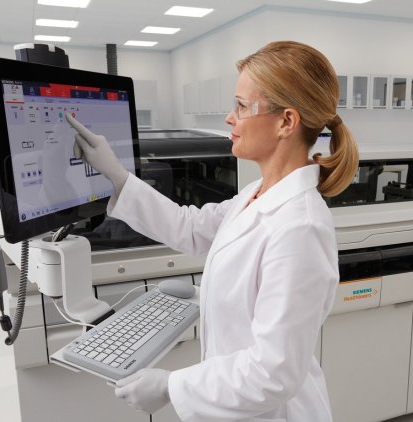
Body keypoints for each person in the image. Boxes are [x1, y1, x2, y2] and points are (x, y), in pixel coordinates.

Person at [66, 40, 359, 422]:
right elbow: (189, 227)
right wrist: (117, 175)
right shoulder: (255, 194)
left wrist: (171, 386)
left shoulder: (299, 228)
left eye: (241, 106)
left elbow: (274, 374)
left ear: (287, 121)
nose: (228, 117)